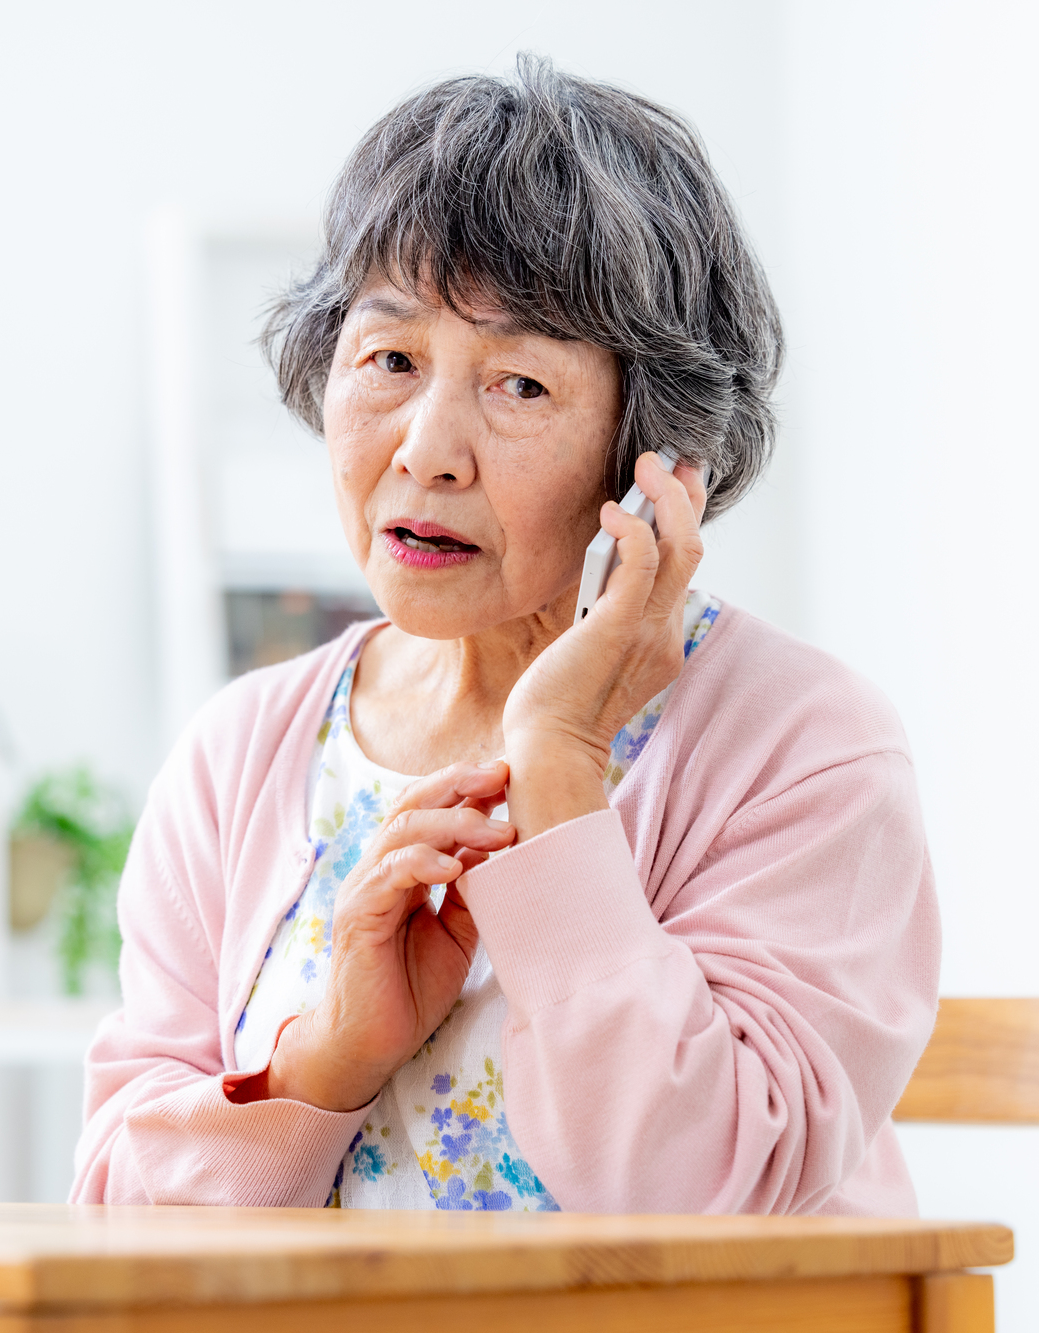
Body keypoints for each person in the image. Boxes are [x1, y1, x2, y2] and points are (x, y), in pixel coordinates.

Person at [71, 55, 937, 1214]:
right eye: (389, 360)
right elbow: (118, 1222)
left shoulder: (804, 745)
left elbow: (693, 1200)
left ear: (654, 449)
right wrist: (328, 1057)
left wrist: (558, 762)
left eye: (518, 384)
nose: (426, 448)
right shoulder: (239, 755)